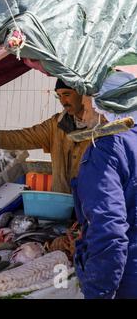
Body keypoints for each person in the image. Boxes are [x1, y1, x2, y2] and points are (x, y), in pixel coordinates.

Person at [71, 71, 137, 299]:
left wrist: (99, 292)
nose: (85, 114)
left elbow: (109, 230)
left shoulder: (106, 150)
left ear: (104, 110)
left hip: (126, 280)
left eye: (89, 107)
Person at [0, 79, 91, 193]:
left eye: (67, 94)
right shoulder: (56, 125)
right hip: (61, 203)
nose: (63, 102)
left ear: (83, 94)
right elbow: (23, 137)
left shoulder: (102, 127)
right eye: (59, 96)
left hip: (91, 209)